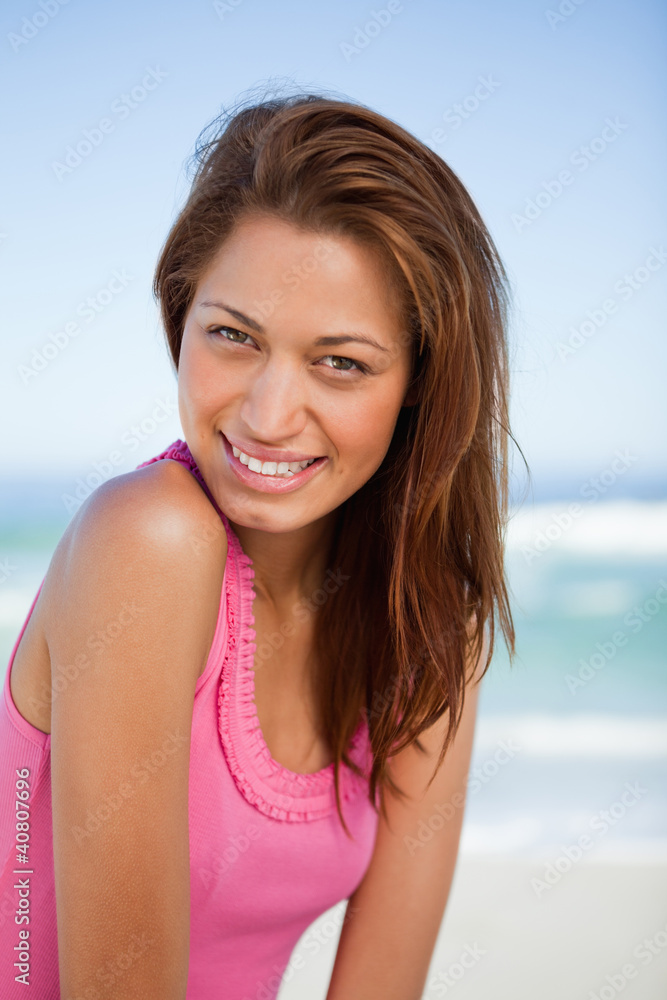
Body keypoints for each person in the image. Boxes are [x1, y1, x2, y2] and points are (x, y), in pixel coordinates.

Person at [0, 89, 520, 999]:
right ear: (181, 318)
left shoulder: (433, 624)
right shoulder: (148, 542)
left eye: (340, 362)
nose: (268, 417)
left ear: (419, 387)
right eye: (234, 336)